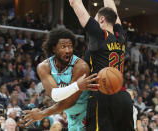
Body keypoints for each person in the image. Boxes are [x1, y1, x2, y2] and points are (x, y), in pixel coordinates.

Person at [69, 0, 134, 130]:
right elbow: (115, 15)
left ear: (102, 19)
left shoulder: (99, 34)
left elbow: (74, 2)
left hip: (103, 95)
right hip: (123, 96)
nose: (93, 20)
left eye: (95, 18)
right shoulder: (121, 36)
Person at [24, 28, 99, 131]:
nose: (68, 50)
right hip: (71, 116)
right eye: (63, 47)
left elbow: (70, 101)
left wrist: (42, 113)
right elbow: (55, 96)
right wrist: (77, 85)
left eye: (70, 46)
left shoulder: (81, 67)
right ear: (54, 48)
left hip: (89, 113)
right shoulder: (44, 67)